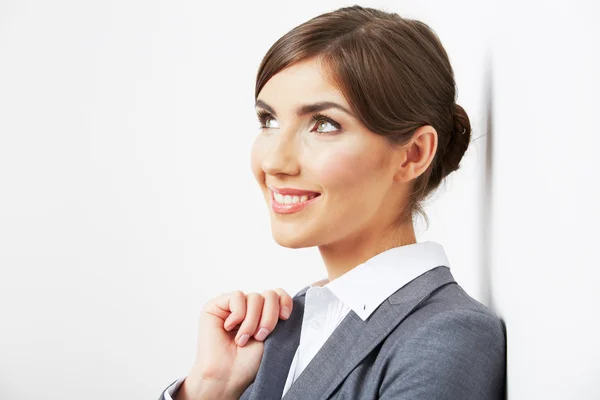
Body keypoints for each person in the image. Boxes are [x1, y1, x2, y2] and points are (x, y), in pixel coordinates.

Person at [159, 5, 506, 400]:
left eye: (324, 124)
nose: (274, 161)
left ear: (412, 154)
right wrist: (209, 389)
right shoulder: (284, 327)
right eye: (268, 120)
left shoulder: (446, 335)